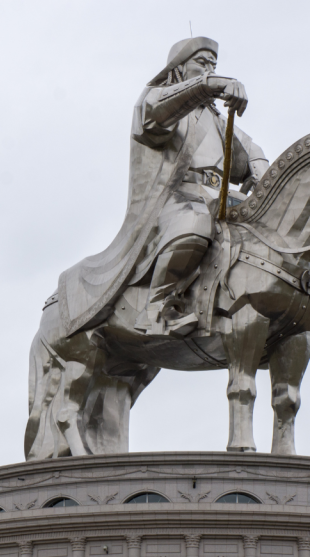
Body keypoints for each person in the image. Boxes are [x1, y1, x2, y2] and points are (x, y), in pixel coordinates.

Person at [57, 37, 268, 338]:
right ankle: (158, 308)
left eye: (213, 64)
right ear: (179, 68)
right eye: (201, 62)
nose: (208, 68)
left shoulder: (217, 119)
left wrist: (262, 179)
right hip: (176, 198)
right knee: (194, 222)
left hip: (220, 196)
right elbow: (157, 117)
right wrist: (210, 84)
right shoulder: (155, 99)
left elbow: (252, 151)